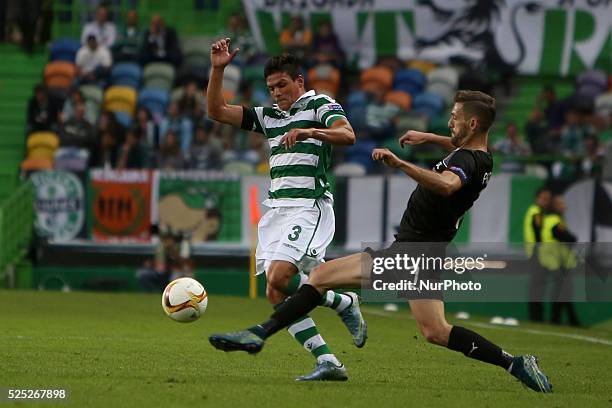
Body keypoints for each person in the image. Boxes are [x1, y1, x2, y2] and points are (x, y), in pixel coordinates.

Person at [209, 90, 554, 393]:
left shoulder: (465, 161)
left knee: (319, 277)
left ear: (474, 124)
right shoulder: (481, 156)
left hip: (411, 253)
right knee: (435, 330)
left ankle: (260, 333)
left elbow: (448, 185)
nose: (450, 122)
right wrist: (428, 137)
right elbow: (457, 146)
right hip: (427, 253)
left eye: (455, 117)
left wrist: (400, 162)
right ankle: (515, 363)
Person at [206, 38, 365, 381]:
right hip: (276, 210)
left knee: (280, 277)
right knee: (275, 289)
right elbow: (217, 111)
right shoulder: (269, 117)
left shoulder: (319, 103)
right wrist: (218, 70)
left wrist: (310, 130)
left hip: (308, 207)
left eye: (282, 85)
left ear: (299, 82)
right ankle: (329, 357)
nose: (277, 93)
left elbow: (348, 134)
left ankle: (341, 304)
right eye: (271, 88)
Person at [539, 195, 580, 326]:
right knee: (564, 291)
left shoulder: (552, 219)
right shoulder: (555, 221)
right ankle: (567, 321)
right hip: (557, 261)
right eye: (561, 204)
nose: (565, 206)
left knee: (562, 291)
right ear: (555, 206)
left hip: (556, 260)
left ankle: (557, 319)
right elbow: (569, 237)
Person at [524, 187, 552, 322]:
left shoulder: (535, 212)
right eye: (543, 198)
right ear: (537, 198)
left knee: (538, 286)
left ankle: (536, 316)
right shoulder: (536, 212)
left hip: (536, 253)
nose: (545, 202)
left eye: (547, 199)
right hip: (537, 253)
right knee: (537, 286)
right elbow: (537, 233)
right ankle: (536, 317)